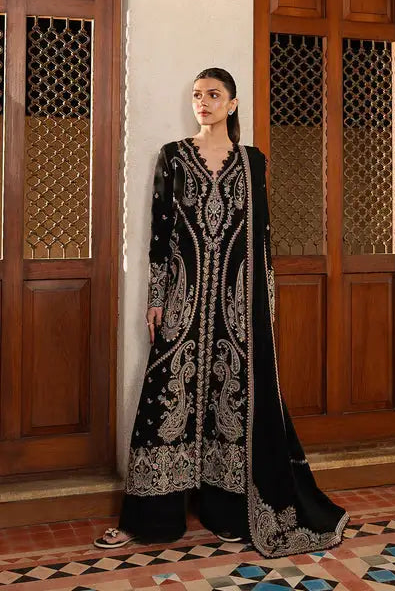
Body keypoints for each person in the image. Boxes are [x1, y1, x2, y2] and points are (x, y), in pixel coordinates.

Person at [94, 67, 350, 558]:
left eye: (214, 95)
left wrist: (264, 308)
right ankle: (150, 517)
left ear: (232, 104)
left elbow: (262, 239)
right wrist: (157, 298)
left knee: (230, 401)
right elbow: (161, 234)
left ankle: (227, 511)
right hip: (185, 299)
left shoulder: (252, 162)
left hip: (237, 307)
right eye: (197, 95)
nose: (203, 102)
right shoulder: (173, 156)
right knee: (167, 396)